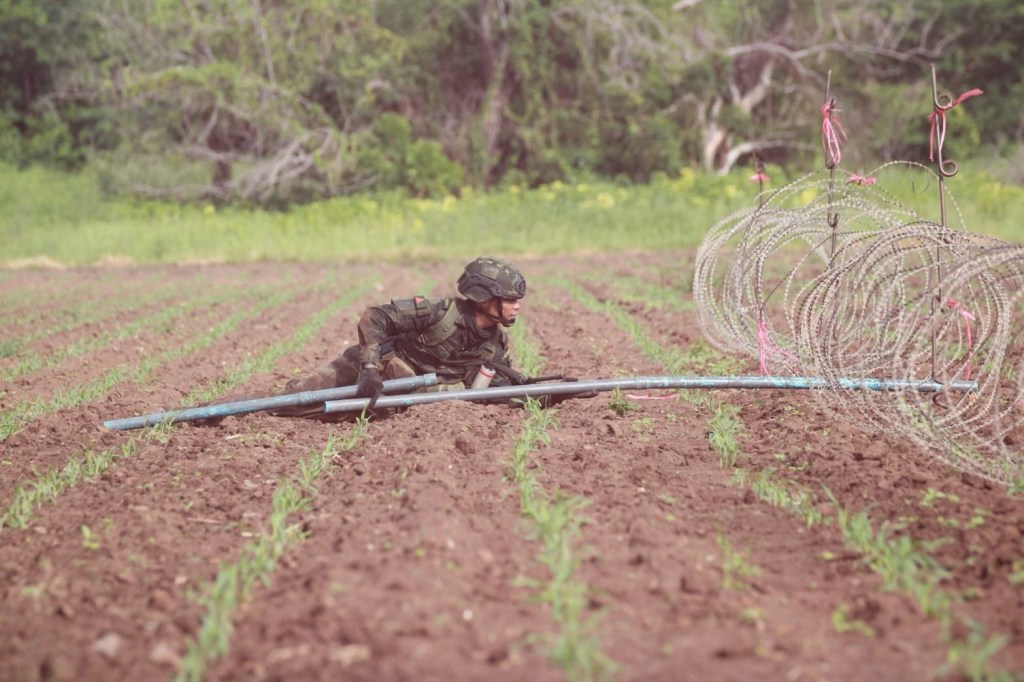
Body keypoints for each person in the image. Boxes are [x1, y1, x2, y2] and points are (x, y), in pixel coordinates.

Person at [272, 256, 553, 420]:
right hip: (370, 369)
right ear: (485, 297)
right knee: (290, 403)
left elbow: (492, 394)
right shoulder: (436, 312)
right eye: (510, 299)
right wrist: (369, 368)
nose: (517, 306)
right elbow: (375, 317)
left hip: (403, 398)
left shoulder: (494, 345)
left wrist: (546, 396)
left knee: (338, 416)